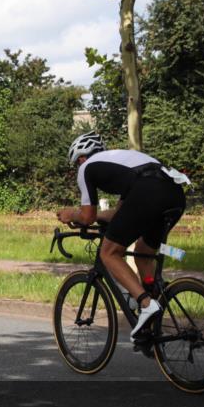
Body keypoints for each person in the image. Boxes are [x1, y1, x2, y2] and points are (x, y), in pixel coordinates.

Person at [57, 132, 188, 342]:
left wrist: (71, 215)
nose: (78, 167)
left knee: (109, 252)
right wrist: (98, 216)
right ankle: (152, 319)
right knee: (143, 253)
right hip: (174, 192)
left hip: (148, 192)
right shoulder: (122, 162)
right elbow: (118, 214)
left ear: (81, 158)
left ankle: (146, 304)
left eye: (77, 163)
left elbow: (87, 216)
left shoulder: (86, 167)